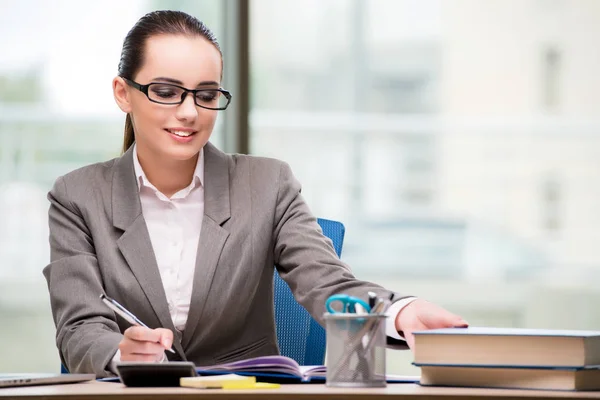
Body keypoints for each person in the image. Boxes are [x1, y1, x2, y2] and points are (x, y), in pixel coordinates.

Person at [43, 10, 467, 378]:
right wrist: (120, 352)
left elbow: (326, 281)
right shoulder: (77, 196)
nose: (189, 112)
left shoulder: (268, 183)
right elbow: (79, 327)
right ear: (124, 94)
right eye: (167, 92)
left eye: (206, 94)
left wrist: (399, 312)